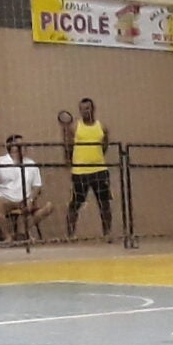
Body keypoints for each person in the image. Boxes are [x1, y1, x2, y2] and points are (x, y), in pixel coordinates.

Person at [59, 98, 112, 239]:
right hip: (80, 172)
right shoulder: (75, 127)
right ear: (80, 110)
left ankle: (107, 233)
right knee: (75, 204)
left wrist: (96, 158)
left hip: (100, 171)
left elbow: (105, 145)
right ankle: (70, 235)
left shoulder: (102, 127)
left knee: (104, 204)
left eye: (88, 108)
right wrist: (69, 162)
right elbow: (68, 147)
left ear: (93, 109)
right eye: (83, 109)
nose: (85, 111)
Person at [0, 135, 46, 240]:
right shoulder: (0, 161)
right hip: (6, 199)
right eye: (20, 145)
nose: (24, 148)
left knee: (48, 207)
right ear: (12, 147)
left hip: (25, 200)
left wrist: (30, 199)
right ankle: (9, 237)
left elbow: (37, 185)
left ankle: (21, 232)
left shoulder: (31, 163)